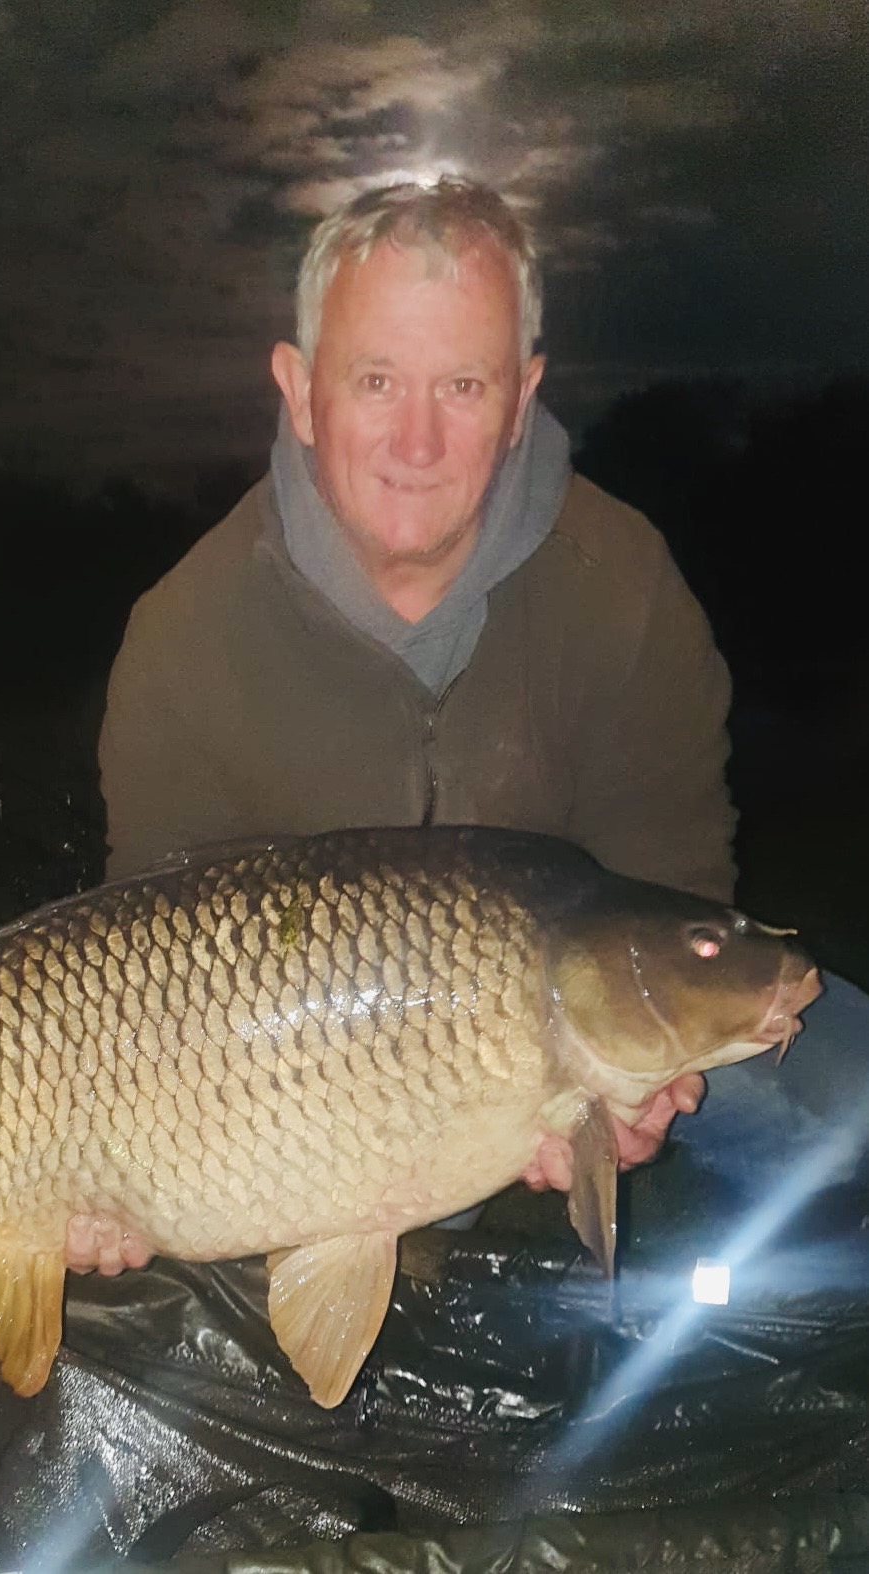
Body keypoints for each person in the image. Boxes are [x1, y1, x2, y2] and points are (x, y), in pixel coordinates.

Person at [89, 177, 868, 1261]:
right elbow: (140, 969)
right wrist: (111, 1177)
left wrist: (644, 1086)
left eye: (462, 384)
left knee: (852, 1103)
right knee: (151, 1198)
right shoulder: (183, 634)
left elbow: (669, 877)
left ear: (521, 397)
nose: (417, 441)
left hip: (561, 1026)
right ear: (300, 391)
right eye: (375, 381)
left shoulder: (620, 581)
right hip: (281, 1090)